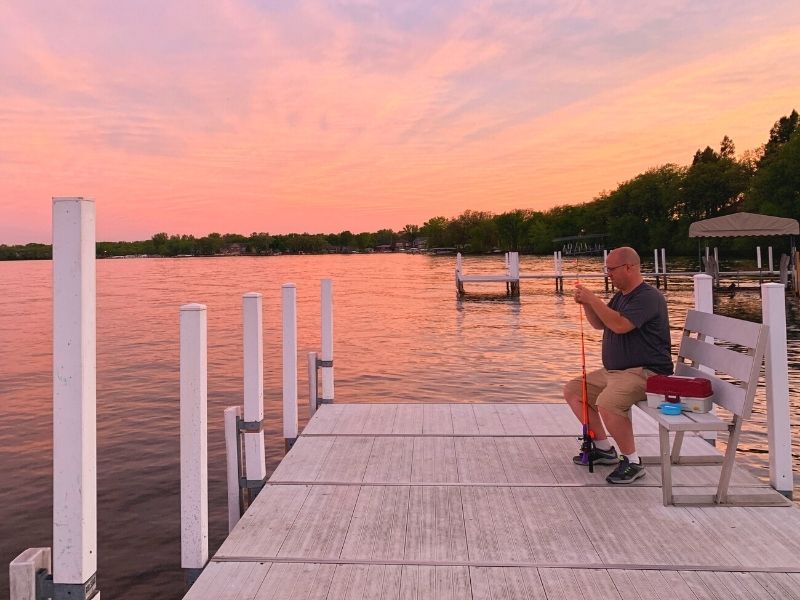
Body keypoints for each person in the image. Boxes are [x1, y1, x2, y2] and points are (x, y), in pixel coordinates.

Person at [564, 246, 673, 484]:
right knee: (574, 390)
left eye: (611, 269)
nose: (608, 274)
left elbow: (621, 325)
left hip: (646, 372)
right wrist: (588, 305)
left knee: (608, 403)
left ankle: (633, 462)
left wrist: (594, 299)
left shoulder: (648, 297)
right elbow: (601, 324)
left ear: (629, 267)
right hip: (616, 372)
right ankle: (604, 448)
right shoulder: (621, 296)